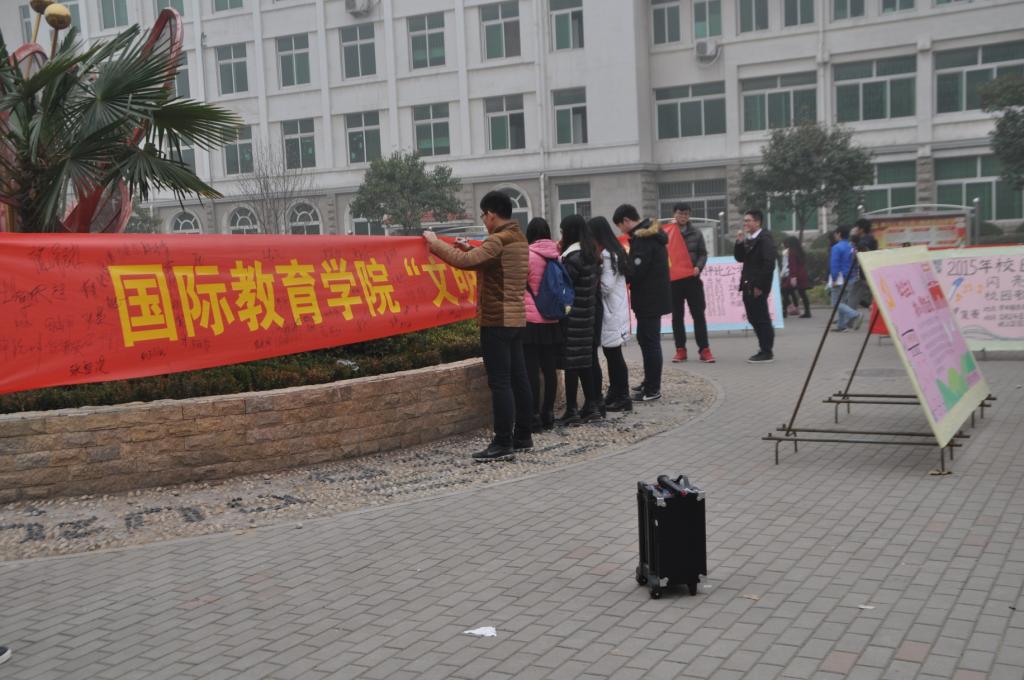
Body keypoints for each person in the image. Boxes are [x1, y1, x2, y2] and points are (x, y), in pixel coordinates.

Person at [423, 190, 532, 461]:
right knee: (519, 378)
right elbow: (493, 263)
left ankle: (502, 442)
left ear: (492, 214)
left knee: (500, 382)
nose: (483, 220)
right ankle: (523, 435)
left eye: (484, 215)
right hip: (516, 318)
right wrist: (471, 248)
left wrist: (435, 243)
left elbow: (464, 263)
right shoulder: (518, 237)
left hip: (496, 319)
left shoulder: (498, 240)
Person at [612, 203, 671, 401]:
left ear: (626, 220)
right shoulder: (648, 235)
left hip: (649, 298)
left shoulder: (643, 239)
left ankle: (653, 389)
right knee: (646, 340)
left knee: (650, 342)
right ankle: (649, 382)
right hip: (651, 297)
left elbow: (637, 271)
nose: (621, 230)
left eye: (620, 226)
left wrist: (622, 274)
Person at [557, 214, 603, 425]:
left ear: (570, 232)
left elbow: (564, 286)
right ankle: (592, 406)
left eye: (562, 231)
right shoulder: (590, 254)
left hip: (572, 317)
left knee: (571, 365)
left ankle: (572, 410)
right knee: (585, 362)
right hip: (587, 316)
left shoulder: (573, 258)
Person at [589, 216, 633, 412]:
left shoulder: (607, 255)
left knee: (614, 356)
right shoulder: (615, 251)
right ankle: (615, 393)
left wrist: (591, 280)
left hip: (611, 311)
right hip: (616, 310)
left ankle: (623, 396)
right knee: (612, 354)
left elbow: (606, 287)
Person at [522, 218, 562, 432]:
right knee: (549, 368)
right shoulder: (556, 255)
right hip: (552, 319)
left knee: (531, 369)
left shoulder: (527, 256)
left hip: (531, 320)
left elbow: (519, 284)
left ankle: (534, 416)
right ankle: (549, 413)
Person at [667, 203, 715, 364]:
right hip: (674, 281)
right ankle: (680, 349)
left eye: (686, 214)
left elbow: (703, 254)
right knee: (677, 316)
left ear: (689, 215)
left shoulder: (696, 232)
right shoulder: (667, 233)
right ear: (674, 214)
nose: (683, 216)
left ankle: (704, 349)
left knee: (698, 314)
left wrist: (698, 267)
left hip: (692, 279)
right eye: (680, 213)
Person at [734, 210, 777, 363]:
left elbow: (769, 264)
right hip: (748, 283)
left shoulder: (765, 239)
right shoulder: (750, 239)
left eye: (748, 221)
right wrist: (739, 243)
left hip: (757, 285)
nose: (745, 224)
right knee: (753, 317)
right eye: (744, 221)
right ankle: (763, 347)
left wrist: (760, 285)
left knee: (761, 318)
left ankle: (767, 351)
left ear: (757, 222)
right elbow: (740, 258)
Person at [828, 225, 863, 333]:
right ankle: (841, 325)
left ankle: (855, 315)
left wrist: (834, 279)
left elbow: (834, 265)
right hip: (851, 277)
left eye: (835, 233)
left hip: (840, 278)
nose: (834, 236)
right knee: (842, 301)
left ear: (839, 234)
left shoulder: (836, 247)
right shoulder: (851, 247)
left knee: (836, 303)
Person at [782, 236, 812, 318]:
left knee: (785, 291)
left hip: (795, 275)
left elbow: (793, 266)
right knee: (802, 293)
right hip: (802, 274)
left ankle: (784, 311)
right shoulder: (800, 251)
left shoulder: (791, 252)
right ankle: (807, 311)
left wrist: (793, 277)